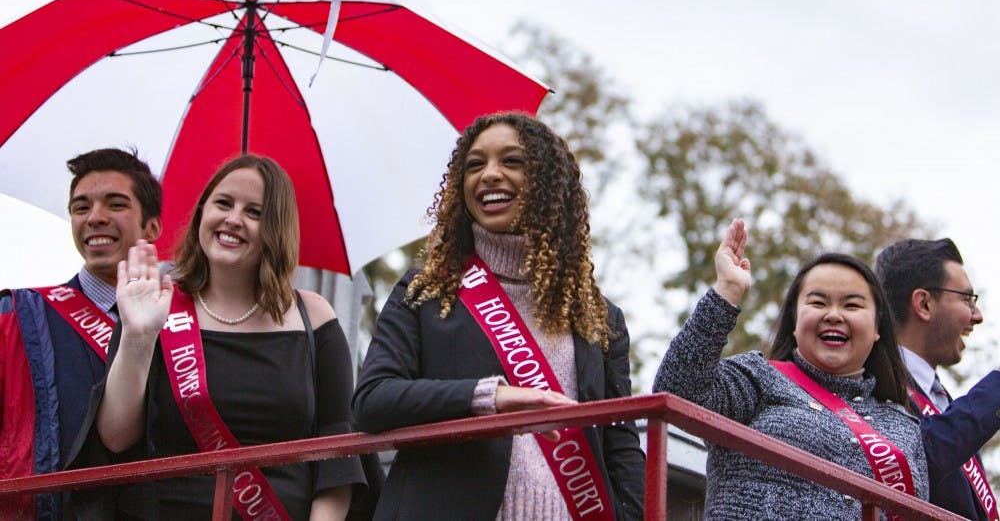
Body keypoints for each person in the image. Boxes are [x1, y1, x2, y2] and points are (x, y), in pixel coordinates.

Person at [352, 112, 645, 520]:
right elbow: (373, 400)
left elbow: (620, 443)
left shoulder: (597, 316)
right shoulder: (426, 292)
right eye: (475, 164)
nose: (489, 175)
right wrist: (490, 397)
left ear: (549, 185)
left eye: (512, 161)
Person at [68, 154, 364, 520]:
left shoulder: (314, 316)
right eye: (223, 203)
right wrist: (138, 336)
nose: (234, 219)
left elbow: (337, 459)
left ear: (276, 228)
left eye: (255, 212)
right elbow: (115, 437)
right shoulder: (157, 306)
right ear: (201, 214)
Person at [653, 219, 928, 519]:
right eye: (818, 302)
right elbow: (676, 390)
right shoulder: (758, 378)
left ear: (877, 328)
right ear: (795, 323)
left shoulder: (903, 426)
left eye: (852, 305)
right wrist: (728, 290)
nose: (834, 315)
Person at [0, 148, 162, 520]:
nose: (95, 218)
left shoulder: (186, 323)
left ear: (151, 226)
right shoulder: (19, 317)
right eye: (81, 207)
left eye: (115, 204)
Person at [876, 238, 1000, 520]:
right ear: (924, 304)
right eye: (967, 300)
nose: (977, 316)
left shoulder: (942, 399)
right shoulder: (871, 382)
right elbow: (917, 458)